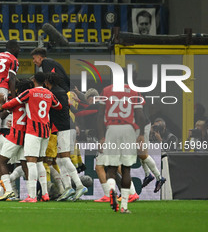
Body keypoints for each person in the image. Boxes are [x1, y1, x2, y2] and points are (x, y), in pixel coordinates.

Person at [0, 72, 62, 202]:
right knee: (40, 162)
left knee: (31, 163)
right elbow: (59, 106)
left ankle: (32, 196)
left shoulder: (30, 93)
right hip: (46, 131)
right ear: (45, 81)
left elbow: (13, 103)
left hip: (33, 131)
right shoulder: (49, 93)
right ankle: (44, 193)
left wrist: (3, 106)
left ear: (34, 80)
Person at [96, 83, 146, 214]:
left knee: (111, 167)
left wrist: (101, 137)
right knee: (126, 169)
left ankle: (111, 189)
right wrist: (141, 134)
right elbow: (140, 116)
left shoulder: (106, 90)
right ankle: (124, 206)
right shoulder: (133, 91)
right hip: (128, 130)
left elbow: (100, 116)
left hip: (112, 129)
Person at [45, 72, 88, 201]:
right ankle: (68, 187)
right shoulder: (63, 92)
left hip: (64, 129)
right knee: (59, 160)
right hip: (67, 127)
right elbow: (72, 110)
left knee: (64, 158)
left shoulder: (54, 94)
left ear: (48, 82)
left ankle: (80, 186)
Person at [0, 79, 34, 201]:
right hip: (26, 137)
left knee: (2, 162)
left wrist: (2, 103)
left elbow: (1, 113)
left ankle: (9, 191)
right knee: (25, 165)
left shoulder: (15, 101)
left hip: (14, 136)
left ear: (17, 90)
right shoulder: (31, 102)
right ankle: (31, 195)